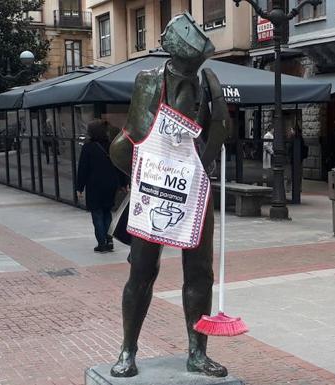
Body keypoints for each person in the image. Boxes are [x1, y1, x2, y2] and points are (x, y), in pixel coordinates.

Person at [108, 12, 230, 378]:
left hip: (194, 189)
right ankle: (128, 349)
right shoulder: (149, 80)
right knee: (142, 271)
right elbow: (130, 138)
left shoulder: (209, 81)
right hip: (155, 189)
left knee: (200, 272)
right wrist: (147, 178)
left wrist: (199, 169)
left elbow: (222, 128)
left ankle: (197, 352)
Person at [76, 119, 128, 253]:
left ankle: (102, 242)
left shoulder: (88, 147)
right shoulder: (111, 146)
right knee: (107, 212)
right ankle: (109, 240)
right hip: (110, 184)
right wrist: (123, 183)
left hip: (94, 185)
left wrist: (79, 187)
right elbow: (118, 166)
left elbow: (83, 169)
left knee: (97, 213)